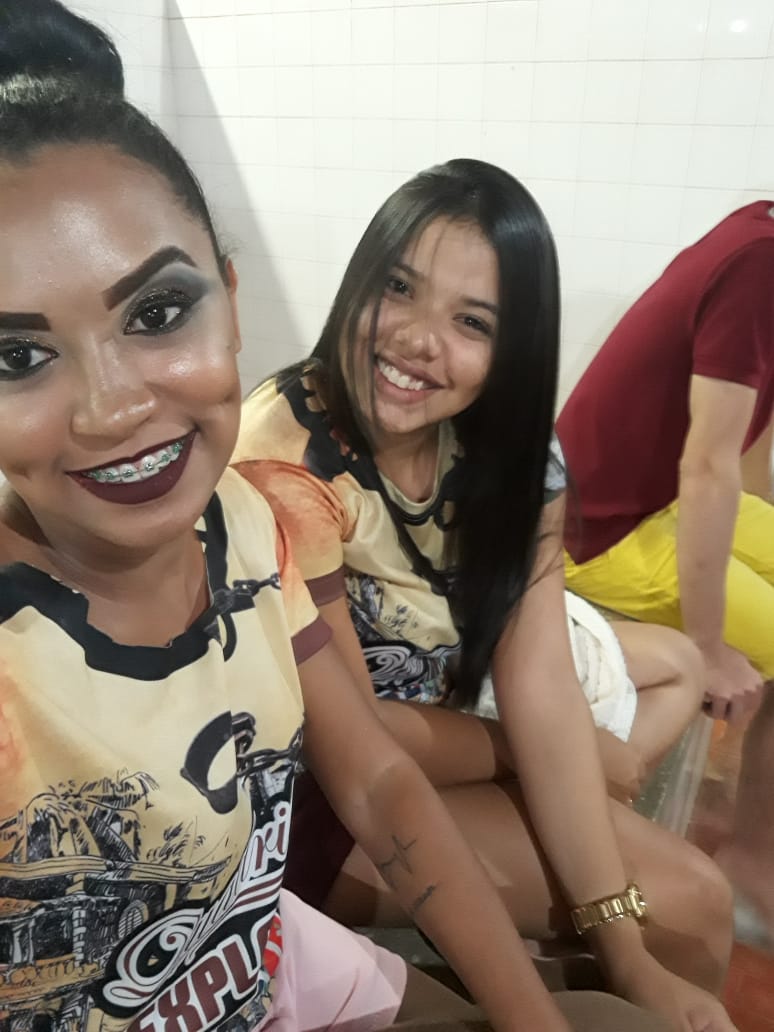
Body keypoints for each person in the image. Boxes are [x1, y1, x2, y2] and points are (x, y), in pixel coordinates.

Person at [0, 4, 668, 1030]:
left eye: (157, 314)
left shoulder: (243, 520)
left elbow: (384, 778)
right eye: (18, 356)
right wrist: (512, 750)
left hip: (265, 951)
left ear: (230, 298)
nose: (113, 409)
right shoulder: (288, 466)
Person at [232, 159, 736, 1031]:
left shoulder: (511, 454)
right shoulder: (288, 458)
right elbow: (354, 739)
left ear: (514, 348)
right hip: (308, 801)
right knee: (684, 903)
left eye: (471, 321)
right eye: (398, 287)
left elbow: (541, 683)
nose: (417, 340)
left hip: (425, 755)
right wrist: (521, 753)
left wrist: (624, 953)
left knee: (689, 906)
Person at [557, 203, 774, 944]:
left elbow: (740, 454)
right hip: (595, 527)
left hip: (651, 501)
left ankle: (754, 850)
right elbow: (709, 468)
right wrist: (711, 646)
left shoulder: (760, 232)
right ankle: (755, 864)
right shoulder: (760, 263)